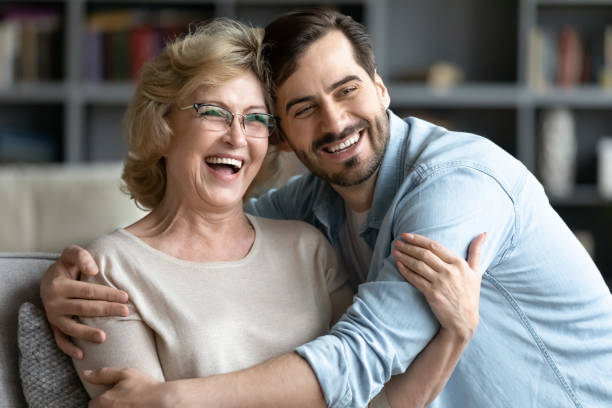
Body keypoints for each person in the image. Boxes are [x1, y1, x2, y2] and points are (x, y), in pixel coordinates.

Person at [42, 8, 612, 408]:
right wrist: (47, 275)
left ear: (382, 88)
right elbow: (206, 230)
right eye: (303, 108)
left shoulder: (455, 186)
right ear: (286, 137)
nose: (335, 122)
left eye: (347, 90)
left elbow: (365, 360)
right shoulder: (313, 207)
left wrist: (175, 399)